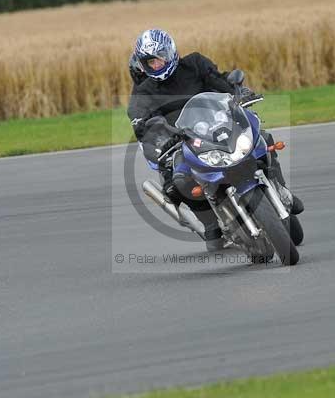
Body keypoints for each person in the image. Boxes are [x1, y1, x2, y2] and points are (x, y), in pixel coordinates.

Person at [127, 29, 300, 250]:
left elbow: (219, 82)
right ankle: (210, 223)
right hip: (183, 141)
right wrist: (147, 128)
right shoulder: (144, 91)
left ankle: (280, 188)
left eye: (160, 56)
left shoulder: (195, 64)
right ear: (144, 64)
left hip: (219, 125)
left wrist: (238, 91)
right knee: (180, 180)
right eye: (151, 61)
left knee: (263, 138)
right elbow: (139, 117)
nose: (157, 63)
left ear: (170, 51)